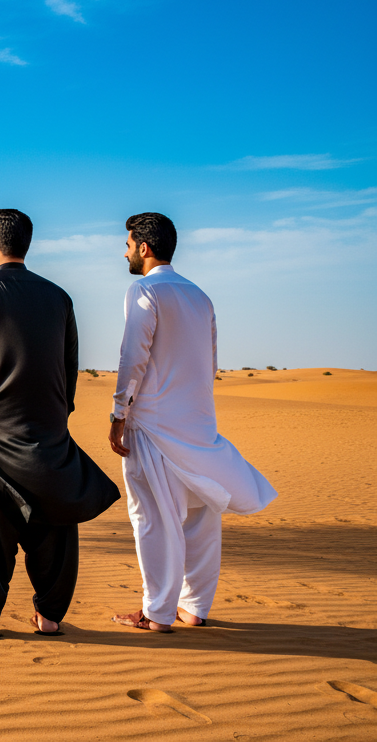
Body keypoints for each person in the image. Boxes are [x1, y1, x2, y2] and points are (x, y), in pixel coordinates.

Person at [0, 209, 120, 639]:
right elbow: (69, 364)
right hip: (48, 428)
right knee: (55, 522)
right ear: (26, 244)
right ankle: (50, 616)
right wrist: (61, 413)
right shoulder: (59, 297)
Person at [109, 212, 277, 633]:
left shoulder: (144, 289)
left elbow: (133, 357)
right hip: (200, 425)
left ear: (145, 248)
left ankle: (157, 613)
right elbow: (211, 363)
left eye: (128, 244)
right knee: (202, 515)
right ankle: (194, 607)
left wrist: (118, 414)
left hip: (153, 425)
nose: (124, 251)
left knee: (152, 517)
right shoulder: (200, 296)